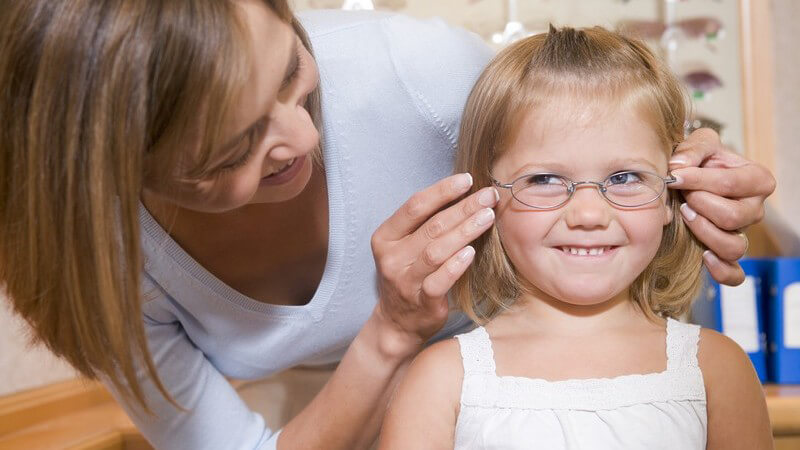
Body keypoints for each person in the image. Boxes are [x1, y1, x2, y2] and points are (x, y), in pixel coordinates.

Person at [0, 1, 773, 449]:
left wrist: (697, 166)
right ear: (115, 175)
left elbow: (592, 134)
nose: (304, 139)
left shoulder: (421, 73)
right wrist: (390, 337)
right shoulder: (98, 269)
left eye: (294, 77)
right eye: (234, 148)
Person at [379, 26, 773, 449]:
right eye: (545, 179)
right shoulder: (443, 381)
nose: (588, 214)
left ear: (670, 196)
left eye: (624, 177)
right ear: (484, 200)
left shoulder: (715, 369)